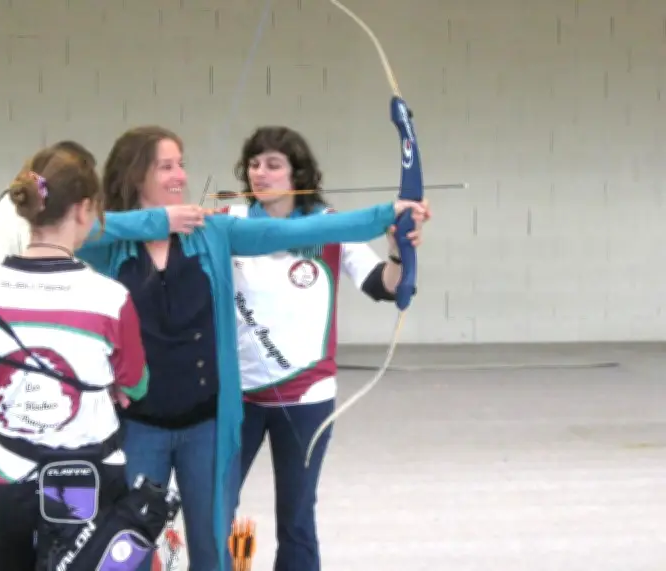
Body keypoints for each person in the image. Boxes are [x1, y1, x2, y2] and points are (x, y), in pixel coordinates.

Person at [74, 125, 429, 571]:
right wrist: (159, 221)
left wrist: (389, 215)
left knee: (215, 543)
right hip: (142, 422)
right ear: (135, 173)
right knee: (131, 541)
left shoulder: (212, 231)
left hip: (211, 421)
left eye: (181, 164)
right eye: (167, 166)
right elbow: (80, 229)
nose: (181, 175)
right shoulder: (115, 243)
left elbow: (315, 228)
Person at [224, 125, 430, 571]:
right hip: (237, 396)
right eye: (254, 164)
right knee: (214, 509)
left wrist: (398, 252)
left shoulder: (331, 225)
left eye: (273, 164)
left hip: (305, 398)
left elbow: (383, 285)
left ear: (297, 173)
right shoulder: (231, 220)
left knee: (296, 517)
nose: (260, 173)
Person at [0, 145, 178, 571]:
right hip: (86, 478)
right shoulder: (110, 297)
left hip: (9, 477)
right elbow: (135, 384)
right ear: (83, 210)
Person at [0, 140, 97, 501]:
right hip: (16, 307)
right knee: (29, 397)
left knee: (10, 393)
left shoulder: (14, 201)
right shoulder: (35, 214)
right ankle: (11, 481)